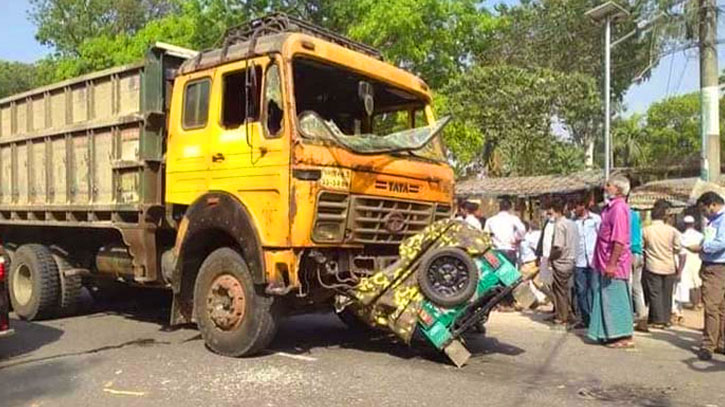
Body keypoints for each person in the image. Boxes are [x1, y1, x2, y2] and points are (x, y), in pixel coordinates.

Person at [588, 175, 634, 348]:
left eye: (609, 185)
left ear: (618, 189)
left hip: (614, 264)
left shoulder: (619, 209)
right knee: (605, 298)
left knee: (616, 299)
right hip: (603, 262)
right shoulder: (609, 209)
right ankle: (608, 333)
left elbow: (619, 240)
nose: (605, 188)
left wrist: (612, 263)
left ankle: (622, 336)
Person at [690, 192, 725, 361]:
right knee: (720, 308)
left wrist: (702, 248)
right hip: (715, 265)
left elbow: (721, 242)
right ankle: (720, 342)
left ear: (712, 204)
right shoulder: (714, 221)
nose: (703, 213)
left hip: (716, 266)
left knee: (711, 307)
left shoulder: (722, 220)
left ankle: (708, 345)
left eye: (704, 209)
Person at [641, 200, 685, 330]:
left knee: (655, 293)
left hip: (652, 265)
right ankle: (666, 319)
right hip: (669, 266)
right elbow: (678, 249)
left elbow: (642, 247)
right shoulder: (672, 231)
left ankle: (657, 319)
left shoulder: (645, 230)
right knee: (667, 293)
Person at [548, 197, 579, 327]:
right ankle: (569, 314)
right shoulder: (572, 223)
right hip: (572, 260)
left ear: (554, 211)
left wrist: (550, 257)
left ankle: (562, 317)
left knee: (560, 291)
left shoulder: (559, 224)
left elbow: (558, 247)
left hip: (562, 262)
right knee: (566, 290)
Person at [573, 195, 601, 328]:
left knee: (594, 290)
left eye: (577, 206)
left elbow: (601, 238)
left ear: (583, 206)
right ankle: (585, 319)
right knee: (581, 291)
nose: (575, 209)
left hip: (593, 260)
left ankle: (595, 320)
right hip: (579, 261)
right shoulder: (573, 222)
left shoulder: (596, 219)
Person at [483, 197, 526, 264]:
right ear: (510, 208)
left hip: (495, 250)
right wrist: (517, 238)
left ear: (499, 207)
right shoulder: (513, 218)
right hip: (509, 249)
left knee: (498, 273)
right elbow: (522, 229)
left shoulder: (490, 220)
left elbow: (485, 234)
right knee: (510, 272)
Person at [680, 215, 703, 310]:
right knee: (698, 281)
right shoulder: (700, 235)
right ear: (693, 224)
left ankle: (694, 303)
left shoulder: (682, 236)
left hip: (687, 260)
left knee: (689, 282)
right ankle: (699, 302)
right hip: (698, 259)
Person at [629, 206, 647, 332]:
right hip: (639, 253)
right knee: (637, 287)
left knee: (628, 287)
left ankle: (628, 318)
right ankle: (642, 317)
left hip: (629, 253)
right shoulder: (636, 215)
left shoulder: (624, 214)